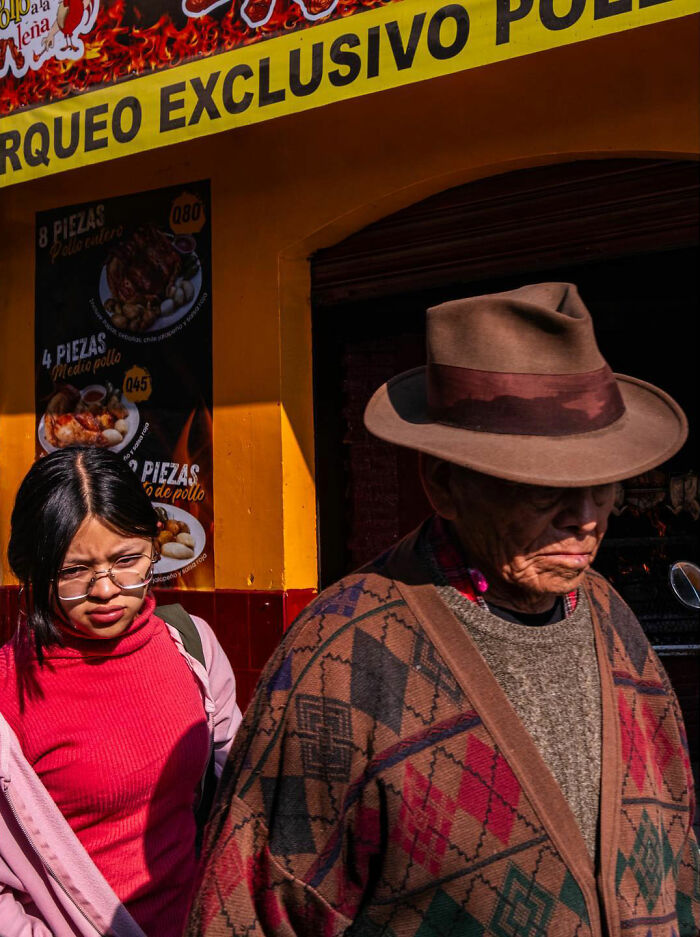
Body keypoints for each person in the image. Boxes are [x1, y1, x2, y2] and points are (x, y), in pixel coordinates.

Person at [187, 283, 700, 936]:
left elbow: (679, 840)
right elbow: (248, 913)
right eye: (545, 486)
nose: (587, 517)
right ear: (444, 485)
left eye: (602, 483)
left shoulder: (609, 613)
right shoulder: (344, 656)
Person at [0, 446, 242, 936]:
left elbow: (239, 787)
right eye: (73, 571)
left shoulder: (192, 648)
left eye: (127, 560)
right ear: (31, 569)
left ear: (155, 545)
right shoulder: (9, 693)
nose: (106, 590)